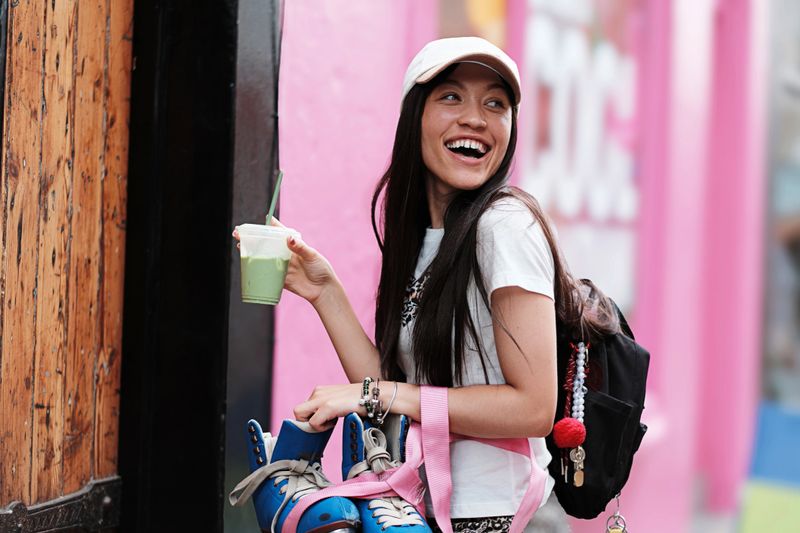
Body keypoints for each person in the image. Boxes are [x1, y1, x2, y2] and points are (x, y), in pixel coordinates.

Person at [236, 37, 587, 532]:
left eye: (496, 103)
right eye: (451, 96)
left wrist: (378, 394)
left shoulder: (505, 225)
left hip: (505, 516)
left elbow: (532, 407)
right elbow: (401, 390)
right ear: (413, 117)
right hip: (431, 510)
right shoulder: (428, 240)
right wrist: (324, 292)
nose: (475, 117)